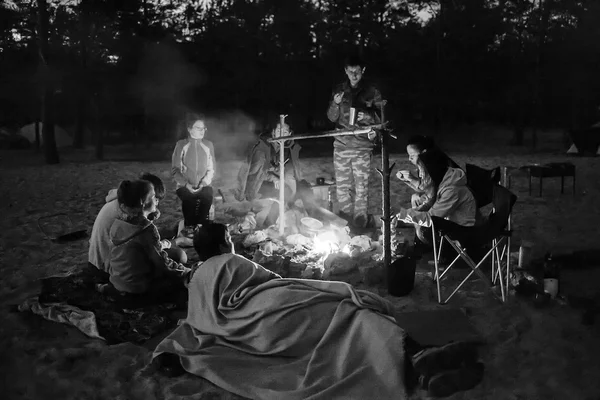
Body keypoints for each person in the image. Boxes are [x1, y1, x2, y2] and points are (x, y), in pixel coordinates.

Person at [151, 222, 484, 398]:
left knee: (342, 322)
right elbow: (271, 281)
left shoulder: (196, 278)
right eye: (230, 239)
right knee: (351, 314)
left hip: (250, 333)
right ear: (225, 244)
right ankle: (413, 358)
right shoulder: (231, 261)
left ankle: (424, 367)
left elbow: (199, 320)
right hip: (273, 314)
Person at [95, 180, 192, 303]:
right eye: (153, 197)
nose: (156, 199)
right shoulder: (146, 230)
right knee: (179, 286)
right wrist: (186, 273)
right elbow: (163, 263)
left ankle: (110, 290)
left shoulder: (118, 222)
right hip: (138, 289)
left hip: (117, 281)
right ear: (142, 202)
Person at [88, 172, 185, 281]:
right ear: (143, 200)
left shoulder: (124, 203)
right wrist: (174, 242)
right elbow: (151, 247)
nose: (157, 203)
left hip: (95, 262)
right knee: (180, 255)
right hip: (109, 269)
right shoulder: (129, 216)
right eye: (154, 198)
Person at [326, 54, 382, 229]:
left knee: (361, 188)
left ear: (363, 70)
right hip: (341, 145)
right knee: (342, 188)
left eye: (357, 71)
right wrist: (335, 104)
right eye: (350, 71)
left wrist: (367, 115)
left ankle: (360, 222)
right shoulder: (339, 90)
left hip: (362, 147)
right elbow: (331, 117)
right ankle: (346, 220)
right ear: (345, 71)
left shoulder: (372, 92)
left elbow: (382, 120)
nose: (354, 75)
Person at [396, 147, 477, 247]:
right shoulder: (444, 181)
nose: (421, 174)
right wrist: (402, 215)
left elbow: (432, 219)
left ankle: (445, 254)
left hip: (461, 234)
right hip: (452, 226)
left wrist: (403, 214)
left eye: (422, 171)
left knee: (424, 232)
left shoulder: (452, 190)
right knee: (418, 208)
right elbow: (430, 205)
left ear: (432, 171)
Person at [171, 113, 216, 239]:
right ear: (189, 129)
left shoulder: (208, 145)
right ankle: (189, 226)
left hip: (204, 184)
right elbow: (175, 170)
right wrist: (186, 184)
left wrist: (203, 183)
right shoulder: (181, 144)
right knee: (188, 198)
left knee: (207, 196)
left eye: (203, 128)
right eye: (198, 128)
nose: (202, 131)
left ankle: (200, 226)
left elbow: (211, 168)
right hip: (184, 184)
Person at [396, 135, 461, 212]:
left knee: (417, 210)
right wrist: (406, 180)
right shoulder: (423, 165)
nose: (409, 159)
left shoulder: (434, 165)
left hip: (446, 199)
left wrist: (412, 179)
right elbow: (424, 188)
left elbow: (428, 190)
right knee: (416, 197)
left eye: (412, 155)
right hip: (436, 196)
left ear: (424, 152)